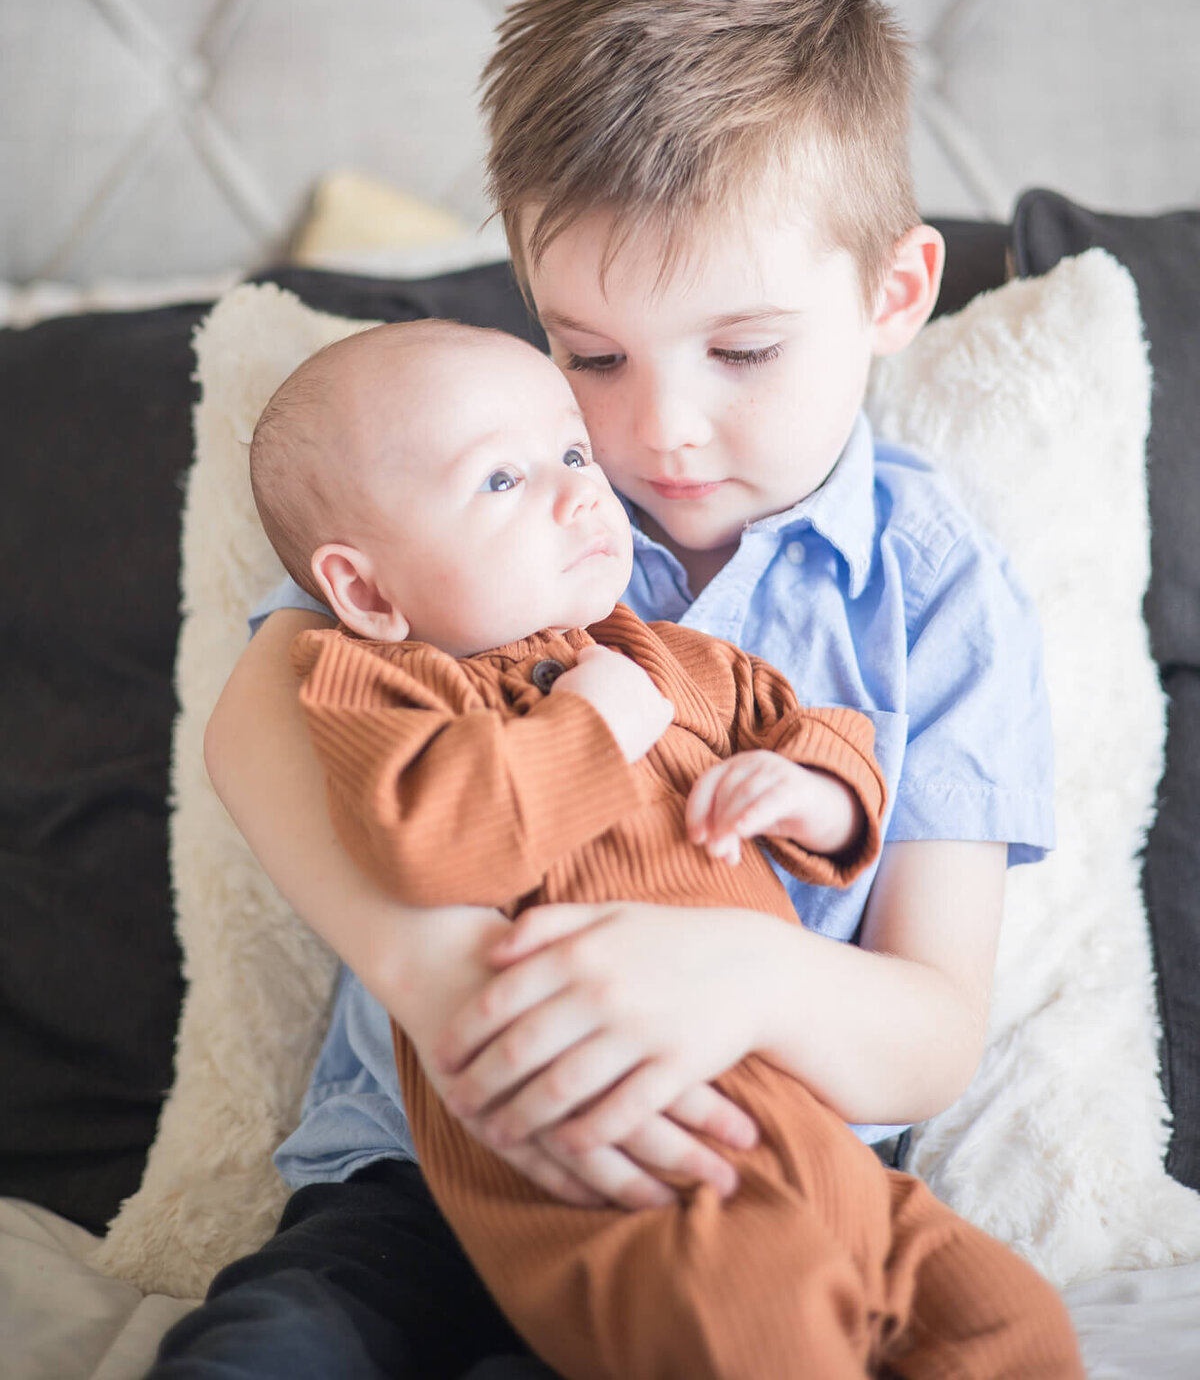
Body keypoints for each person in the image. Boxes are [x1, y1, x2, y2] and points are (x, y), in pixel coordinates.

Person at [154, 0, 1074, 1378]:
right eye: (590, 350)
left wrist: (738, 981)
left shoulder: (935, 583)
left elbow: (934, 1025)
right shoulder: (487, 481)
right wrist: (446, 994)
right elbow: (267, 703)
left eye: (744, 349)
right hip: (419, 1172)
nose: (659, 432)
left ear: (894, 292)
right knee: (272, 1348)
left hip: (749, 1167)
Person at [252, 316, 1078, 1380]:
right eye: (501, 483)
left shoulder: (664, 653)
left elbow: (813, 726)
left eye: (570, 454)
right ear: (366, 591)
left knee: (1010, 1322)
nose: (579, 491)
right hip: (618, 1152)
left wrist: (815, 794)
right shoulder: (387, 688)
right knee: (755, 1327)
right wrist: (590, 727)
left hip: (812, 1137)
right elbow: (430, 840)